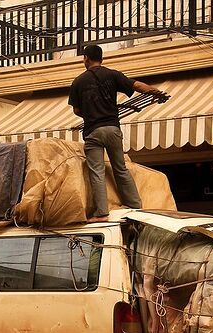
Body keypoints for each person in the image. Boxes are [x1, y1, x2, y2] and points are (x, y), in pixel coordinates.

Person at [68, 44, 164, 223]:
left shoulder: (78, 82)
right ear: (101, 58)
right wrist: (155, 92)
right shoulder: (112, 74)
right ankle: (136, 206)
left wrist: (90, 112)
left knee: (96, 172)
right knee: (121, 168)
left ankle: (102, 213)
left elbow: (76, 110)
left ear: (86, 59)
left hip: (93, 132)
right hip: (113, 129)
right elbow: (136, 85)